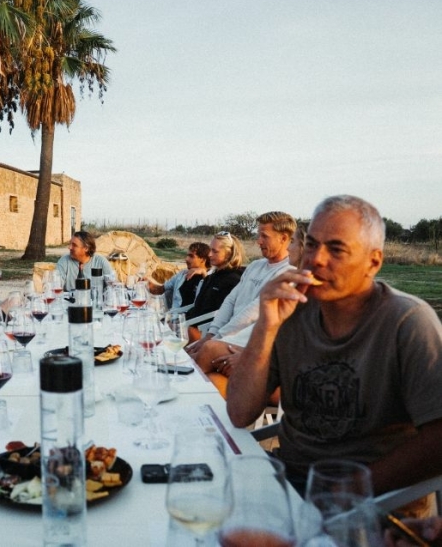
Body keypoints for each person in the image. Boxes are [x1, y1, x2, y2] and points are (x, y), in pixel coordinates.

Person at [227, 195, 442, 498]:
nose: (316, 259)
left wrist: (350, 490)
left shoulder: (407, 322)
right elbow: (239, 412)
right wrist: (266, 325)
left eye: (336, 249)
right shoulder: (292, 311)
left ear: (373, 262)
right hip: (286, 485)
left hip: (374, 507)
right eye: (312, 244)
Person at [186, 212, 296, 387]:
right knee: (193, 355)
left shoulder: (287, 273)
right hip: (231, 336)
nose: (258, 241)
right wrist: (212, 333)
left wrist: (215, 338)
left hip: (249, 338)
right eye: (258, 235)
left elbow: (252, 313)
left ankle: (184, 389)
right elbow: (230, 301)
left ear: (283, 238)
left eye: (264, 236)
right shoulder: (255, 266)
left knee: (205, 350)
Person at [184, 231, 246, 340]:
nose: (209, 254)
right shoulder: (213, 276)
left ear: (229, 254)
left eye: (214, 251)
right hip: (192, 324)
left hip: (205, 332)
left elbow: (220, 315)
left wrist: (184, 325)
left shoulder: (234, 281)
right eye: (210, 250)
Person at [148, 242, 210, 313]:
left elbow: (208, 300)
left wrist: (203, 273)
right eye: (187, 255)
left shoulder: (211, 276)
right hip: (174, 317)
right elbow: (160, 290)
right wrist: (147, 282)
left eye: (191, 256)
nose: (186, 259)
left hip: (193, 320)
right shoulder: (182, 274)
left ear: (203, 259)